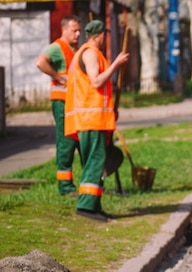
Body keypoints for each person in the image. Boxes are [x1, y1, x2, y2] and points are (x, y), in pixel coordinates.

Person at [64, 20, 129, 222]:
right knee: (95, 162)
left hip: (94, 119)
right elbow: (96, 81)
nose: (105, 39)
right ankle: (86, 207)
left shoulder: (85, 53)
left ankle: (95, 205)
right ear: (99, 35)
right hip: (91, 120)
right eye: (105, 36)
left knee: (96, 163)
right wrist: (116, 64)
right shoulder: (90, 53)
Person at [35, 15, 82, 196]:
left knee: (75, 140)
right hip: (62, 102)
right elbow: (40, 62)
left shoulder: (73, 48)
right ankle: (65, 187)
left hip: (72, 103)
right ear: (64, 30)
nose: (78, 34)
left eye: (79, 30)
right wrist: (57, 77)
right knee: (66, 141)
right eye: (74, 30)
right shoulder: (57, 47)